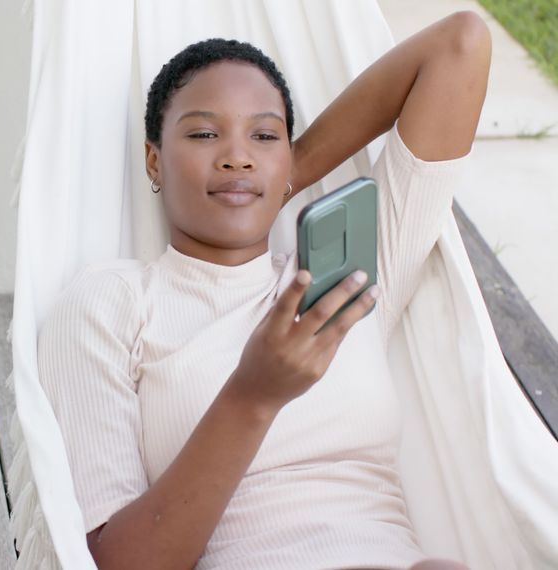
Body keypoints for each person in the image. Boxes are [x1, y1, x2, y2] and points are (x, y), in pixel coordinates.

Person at [37, 10, 492, 570]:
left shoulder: (346, 277)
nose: (236, 154)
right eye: (205, 134)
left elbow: (461, 46)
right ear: (154, 158)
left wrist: (272, 179)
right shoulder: (111, 303)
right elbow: (117, 563)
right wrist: (253, 395)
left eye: (265, 135)